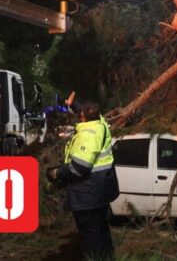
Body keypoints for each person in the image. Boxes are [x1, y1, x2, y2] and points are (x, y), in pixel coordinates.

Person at [48, 102, 118, 260]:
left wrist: (58, 172)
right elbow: (89, 111)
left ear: (83, 117)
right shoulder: (100, 124)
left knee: (91, 236)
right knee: (101, 229)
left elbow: (80, 167)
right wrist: (73, 104)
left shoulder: (88, 134)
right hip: (102, 191)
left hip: (87, 194)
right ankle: (108, 257)